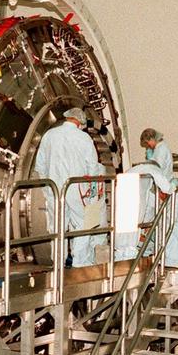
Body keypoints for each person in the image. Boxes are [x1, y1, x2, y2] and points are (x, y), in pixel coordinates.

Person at [34, 107, 106, 267]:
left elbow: (40, 165)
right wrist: (92, 191)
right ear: (80, 122)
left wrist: (47, 188)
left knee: (57, 226)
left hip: (54, 189)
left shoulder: (49, 135)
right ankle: (80, 263)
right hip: (78, 189)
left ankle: (58, 263)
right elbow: (93, 167)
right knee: (83, 225)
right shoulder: (83, 137)